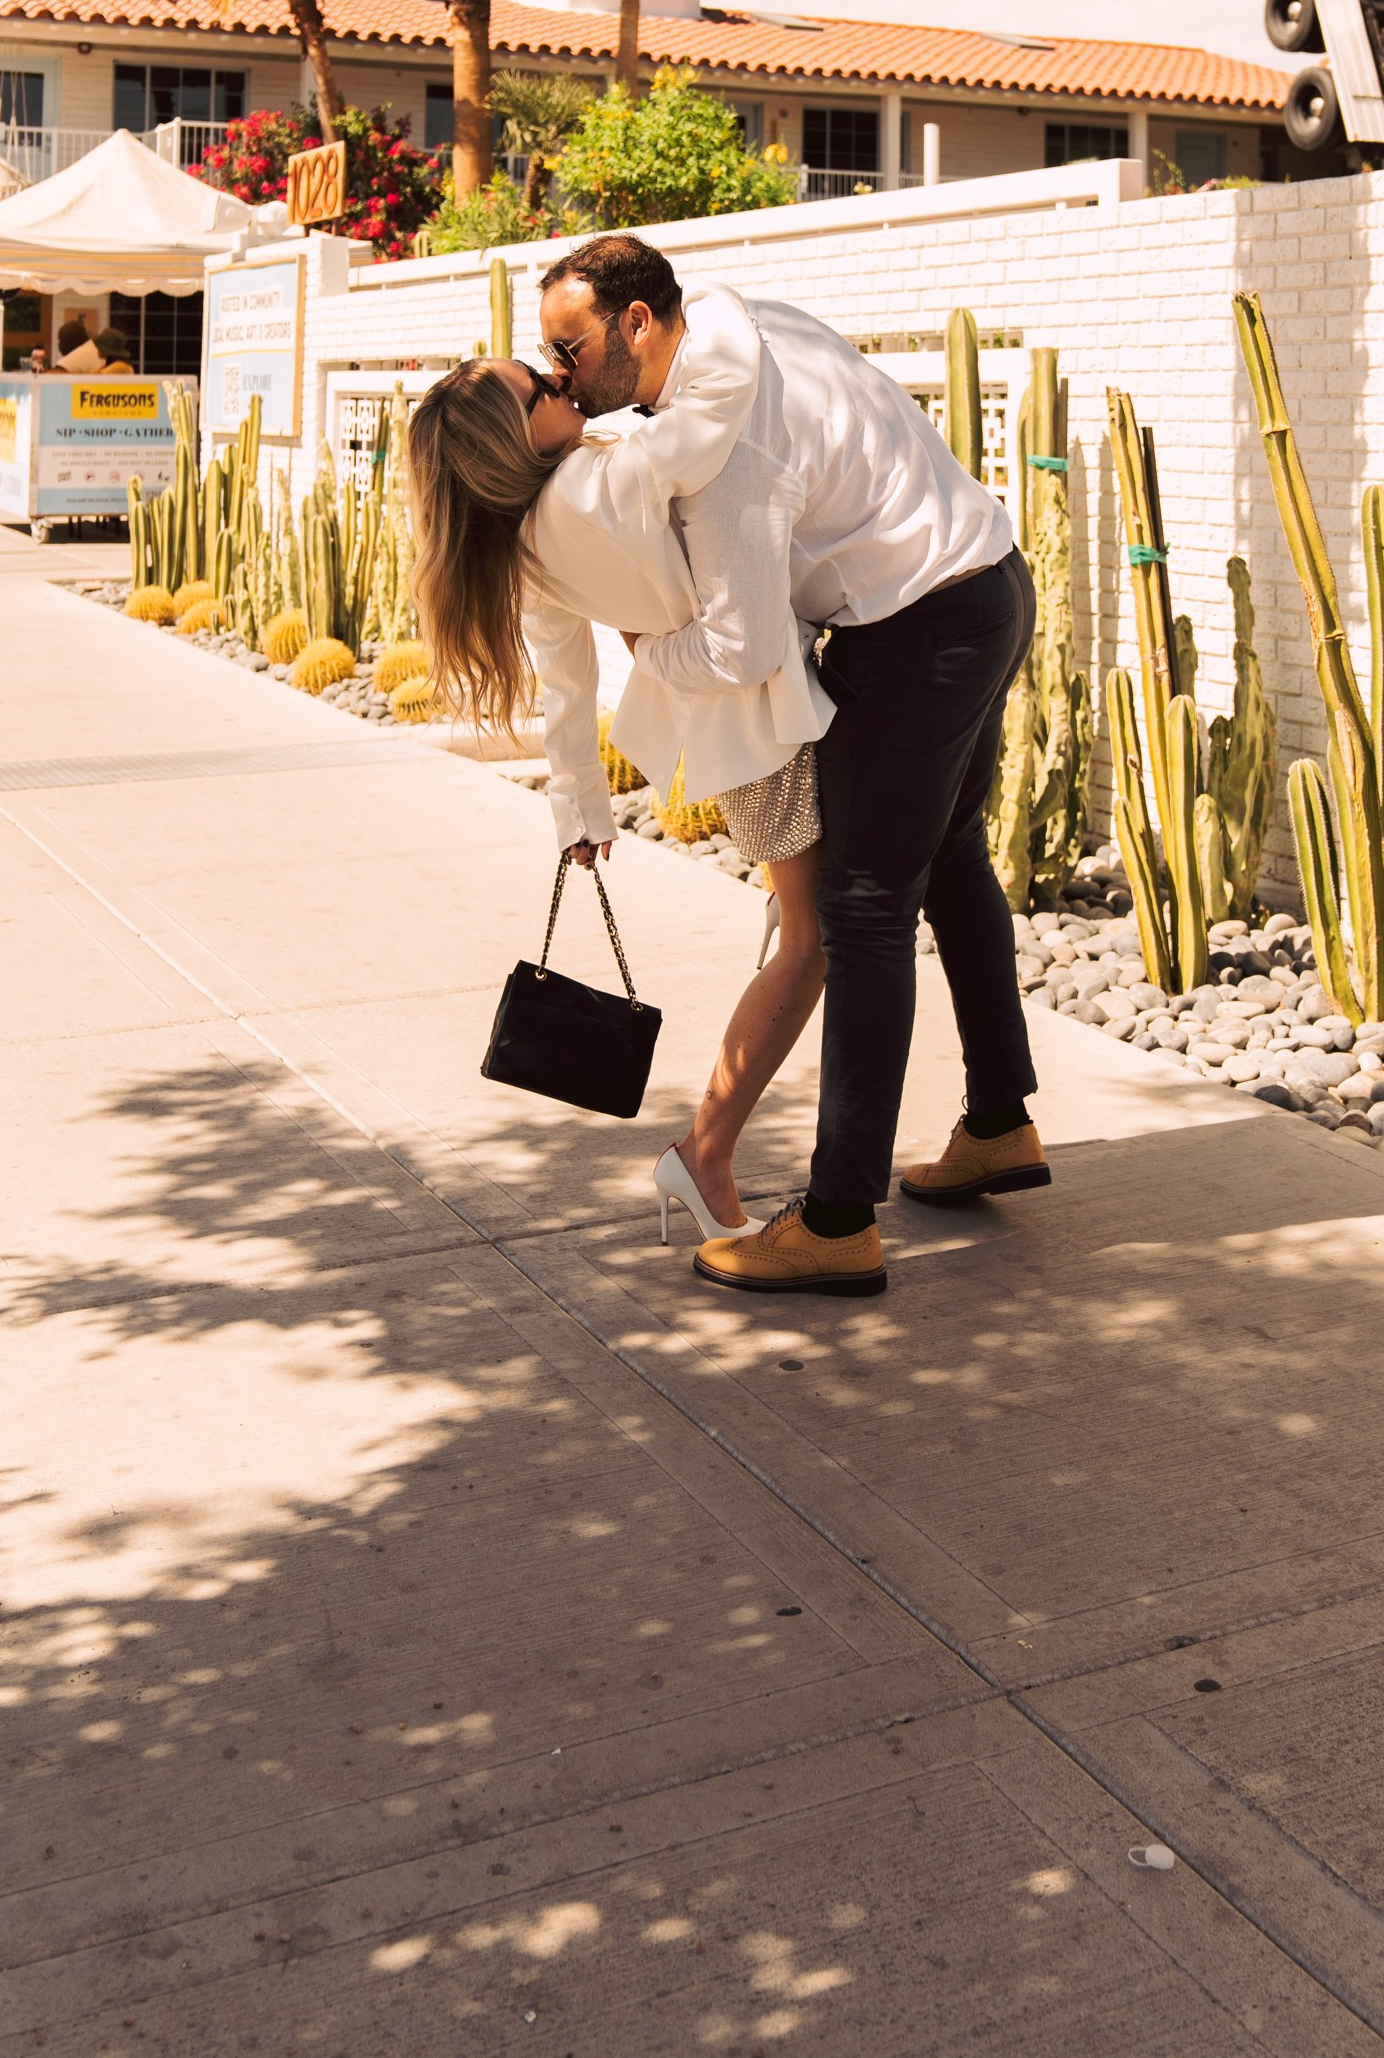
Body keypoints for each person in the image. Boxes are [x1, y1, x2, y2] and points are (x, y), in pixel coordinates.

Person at [536, 233, 1043, 1303]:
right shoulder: (751, 322)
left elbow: (742, 647)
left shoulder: (720, 455)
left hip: (912, 632)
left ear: (636, 323)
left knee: (861, 916)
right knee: (950, 869)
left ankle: (836, 1220)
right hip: (986, 579)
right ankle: (998, 1122)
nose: (560, 371)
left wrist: (640, 656)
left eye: (569, 346)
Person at [405, 290, 835, 1239]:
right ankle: (706, 1153)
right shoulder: (601, 484)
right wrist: (711, 315)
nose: (558, 373)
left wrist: (580, 814)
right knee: (815, 944)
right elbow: (713, 413)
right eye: (536, 382)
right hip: (759, 723)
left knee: (810, 924)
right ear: (515, 438)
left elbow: (565, 679)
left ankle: (714, 1146)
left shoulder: (524, 539)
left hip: (730, 729)